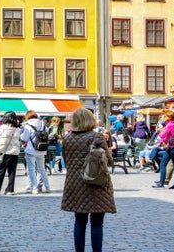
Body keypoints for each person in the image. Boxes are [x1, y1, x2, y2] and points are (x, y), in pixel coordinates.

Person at [61, 107, 116, 252]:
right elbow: (109, 161)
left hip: (75, 184)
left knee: (79, 222)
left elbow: (66, 161)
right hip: (97, 182)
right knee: (97, 223)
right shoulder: (96, 137)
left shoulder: (67, 139)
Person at [21, 110, 51, 194]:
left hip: (31, 149)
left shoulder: (27, 125)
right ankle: (48, 187)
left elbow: (24, 138)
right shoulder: (42, 124)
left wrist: (21, 136)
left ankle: (34, 188)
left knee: (31, 169)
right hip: (41, 148)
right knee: (42, 169)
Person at [152, 109, 174, 189]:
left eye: (164, 116)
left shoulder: (170, 125)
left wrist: (159, 131)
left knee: (162, 164)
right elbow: (170, 136)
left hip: (171, 147)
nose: (163, 118)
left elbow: (163, 135)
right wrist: (162, 142)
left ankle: (161, 183)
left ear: (168, 117)